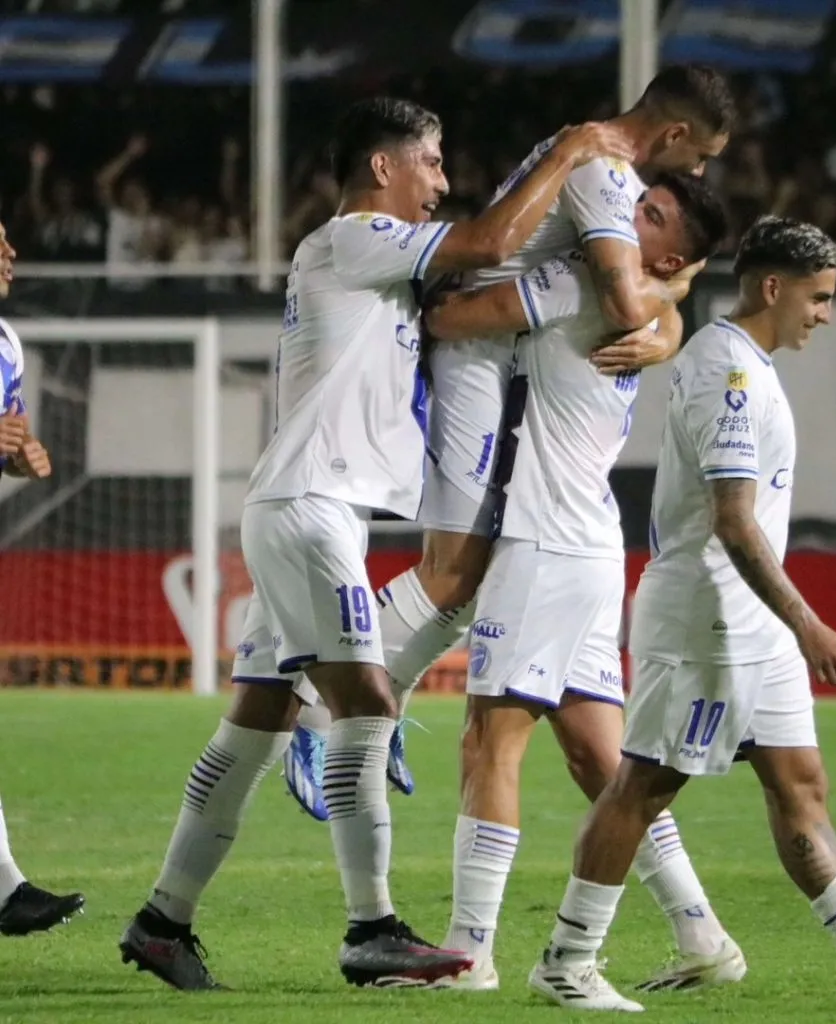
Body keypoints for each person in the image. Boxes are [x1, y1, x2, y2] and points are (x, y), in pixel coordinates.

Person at [118, 96, 638, 992]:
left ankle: (164, 920)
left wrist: (659, 309)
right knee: (363, 703)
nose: (442, 181)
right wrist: (568, 154)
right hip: (309, 505)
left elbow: (481, 278)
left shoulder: (380, 262)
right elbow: (489, 242)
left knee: (259, 721)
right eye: (430, 162)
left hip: (314, 506)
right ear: (382, 167)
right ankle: (373, 929)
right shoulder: (353, 237)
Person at [528, 216, 836, 1013]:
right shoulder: (729, 373)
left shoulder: (747, 364)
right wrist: (808, 622)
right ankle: (566, 961)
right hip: (708, 616)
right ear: (773, 288)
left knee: (800, 782)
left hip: (750, 624)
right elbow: (734, 522)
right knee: (644, 785)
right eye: (818, 297)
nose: (826, 315)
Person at [283, 64, 736, 810]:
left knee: (469, 579)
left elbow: (636, 290)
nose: (699, 171)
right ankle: (312, 703)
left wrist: (671, 319)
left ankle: (380, 699)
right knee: (452, 571)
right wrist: (672, 300)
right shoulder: (604, 175)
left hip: (497, 362)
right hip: (474, 358)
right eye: (703, 155)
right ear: (677, 133)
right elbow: (626, 300)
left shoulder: (594, 160)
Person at [415, 174, 738, 994]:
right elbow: (667, 286)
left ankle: (469, 952)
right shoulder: (639, 297)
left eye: (650, 215)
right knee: (603, 760)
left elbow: (449, 319)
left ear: (666, 256)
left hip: (543, 541)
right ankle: (701, 931)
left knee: (488, 741)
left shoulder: (582, 283)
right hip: (587, 540)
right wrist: (672, 305)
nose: (627, 212)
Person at [0, 218, 84, 937]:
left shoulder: (7, 343)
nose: (10, 253)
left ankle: (7, 890)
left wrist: (19, 456)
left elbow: (11, 434)